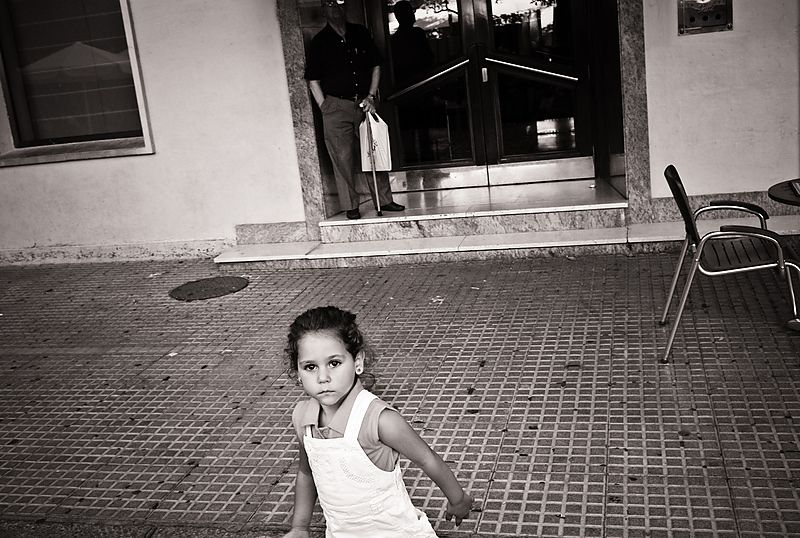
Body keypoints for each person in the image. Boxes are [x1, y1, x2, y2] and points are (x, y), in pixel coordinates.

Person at [281, 306, 473, 538]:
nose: (323, 378)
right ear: (298, 373)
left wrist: (458, 499)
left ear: (357, 361)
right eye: (310, 367)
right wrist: (300, 527)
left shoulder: (379, 419)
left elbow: (427, 459)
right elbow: (307, 472)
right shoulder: (302, 417)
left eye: (334, 363)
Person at [305, 0, 406, 220]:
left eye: (339, 2)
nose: (335, 7)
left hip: (363, 103)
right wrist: (325, 107)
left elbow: (376, 65)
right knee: (342, 159)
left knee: (373, 152)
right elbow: (313, 80)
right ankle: (351, 205)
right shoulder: (320, 41)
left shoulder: (360, 33)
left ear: (345, 8)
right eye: (329, 3)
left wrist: (371, 96)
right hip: (335, 106)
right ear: (323, 10)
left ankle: (384, 200)